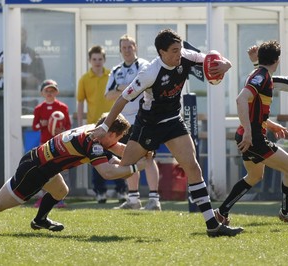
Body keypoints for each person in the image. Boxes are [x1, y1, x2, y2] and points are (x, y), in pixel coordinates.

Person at [92, 28, 243, 237]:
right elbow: (122, 99)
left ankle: (212, 225)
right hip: (149, 125)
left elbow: (211, 59)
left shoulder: (185, 57)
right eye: (173, 51)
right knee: (125, 167)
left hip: (173, 121)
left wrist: (226, 64)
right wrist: (105, 126)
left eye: (179, 49)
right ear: (161, 53)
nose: (178, 54)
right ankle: (96, 154)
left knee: (193, 167)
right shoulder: (149, 73)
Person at [0, 114, 151, 232]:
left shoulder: (96, 130)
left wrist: (140, 153)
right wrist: (136, 167)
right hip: (35, 170)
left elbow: (117, 149)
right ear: (111, 133)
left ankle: (40, 221)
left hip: (43, 163)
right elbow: (108, 173)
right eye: (120, 136)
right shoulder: (93, 143)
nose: (120, 141)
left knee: (61, 190)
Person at [214, 41, 288, 228]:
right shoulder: (262, 76)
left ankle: (221, 212)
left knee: (254, 176)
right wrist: (248, 132)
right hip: (253, 139)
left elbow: (254, 107)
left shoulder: (259, 75)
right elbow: (241, 99)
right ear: (277, 60)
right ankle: (286, 212)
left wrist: (269, 124)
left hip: (248, 136)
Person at [105, 34, 161, 211]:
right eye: (124, 48)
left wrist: (122, 88)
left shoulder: (144, 65)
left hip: (144, 119)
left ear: (135, 47)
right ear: (120, 50)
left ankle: (154, 200)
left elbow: (142, 86)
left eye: (130, 47)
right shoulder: (116, 70)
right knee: (127, 158)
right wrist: (125, 88)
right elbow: (108, 95)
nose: (127, 51)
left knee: (149, 156)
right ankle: (133, 199)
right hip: (124, 123)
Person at [77, 45, 127, 204]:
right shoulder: (84, 79)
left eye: (100, 59)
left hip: (112, 125)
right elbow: (80, 102)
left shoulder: (111, 76)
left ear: (104, 60)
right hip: (94, 125)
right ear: (89, 61)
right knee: (97, 157)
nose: (97, 62)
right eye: (94, 59)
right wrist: (80, 123)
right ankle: (100, 192)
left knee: (117, 156)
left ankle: (122, 190)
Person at [32, 79, 72, 208]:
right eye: (47, 91)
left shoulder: (62, 107)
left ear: (57, 92)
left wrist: (62, 130)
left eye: (52, 91)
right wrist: (42, 124)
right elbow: (35, 126)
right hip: (45, 143)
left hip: (60, 143)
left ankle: (60, 198)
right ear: (42, 93)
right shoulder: (39, 108)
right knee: (44, 170)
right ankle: (44, 197)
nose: (49, 93)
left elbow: (68, 127)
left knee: (61, 169)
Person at [0, 28, 46, 114]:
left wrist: (17, 78)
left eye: (21, 35)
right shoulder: (4, 54)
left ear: (26, 37)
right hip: (8, 103)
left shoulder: (32, 55)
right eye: (16, 35)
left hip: (28, 103)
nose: (18, 38)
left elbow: (40, 81)